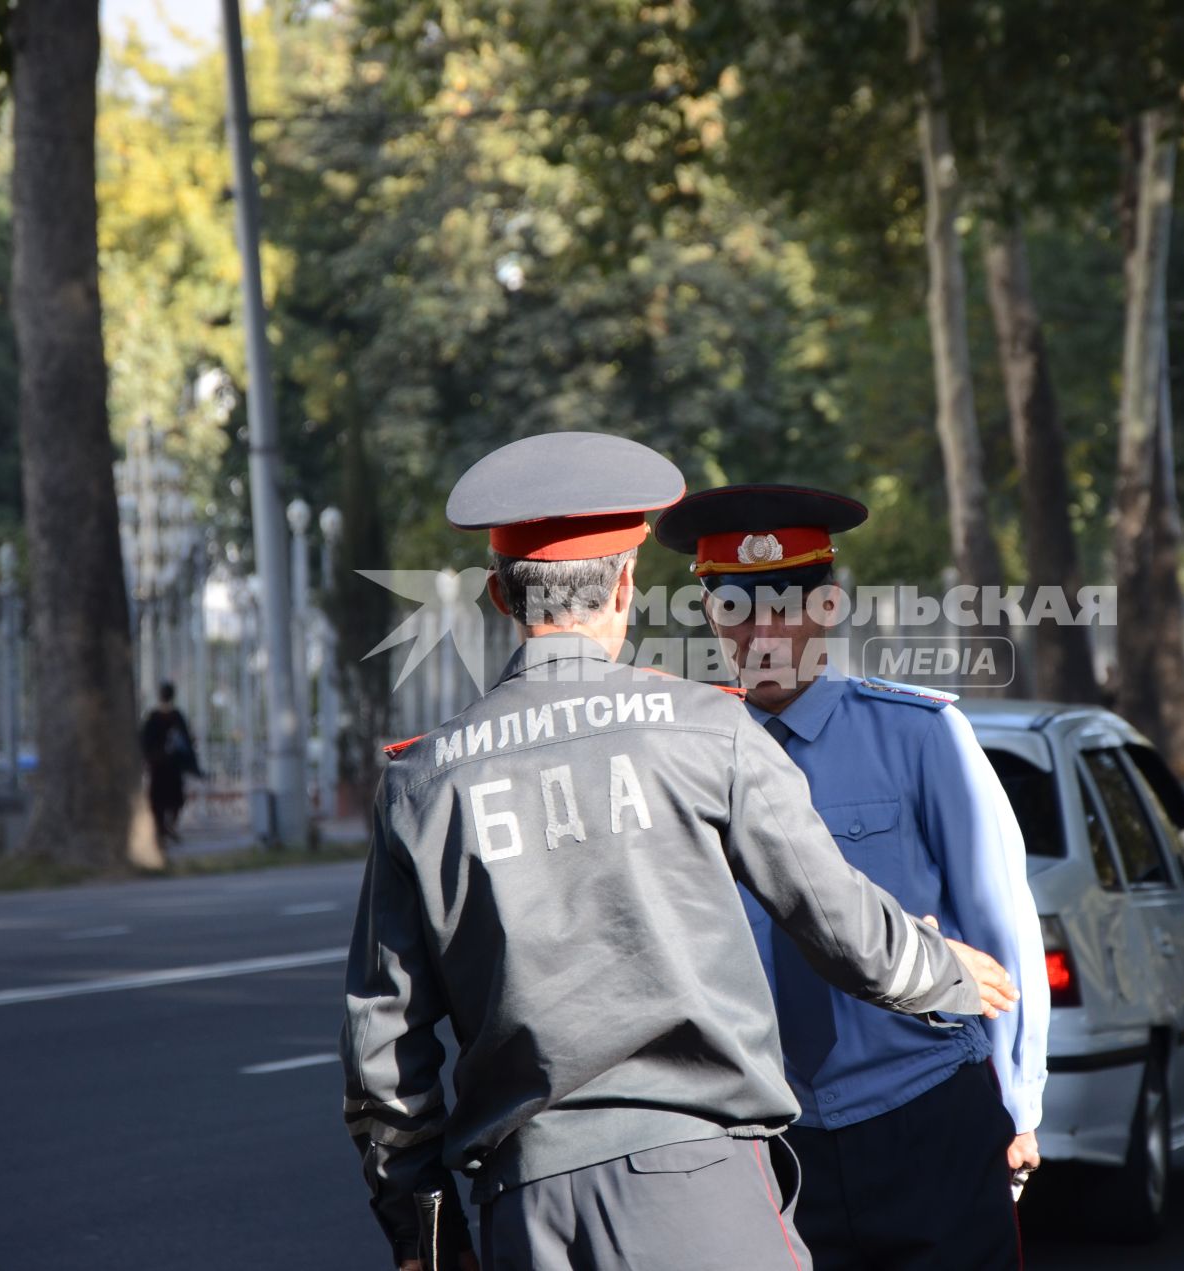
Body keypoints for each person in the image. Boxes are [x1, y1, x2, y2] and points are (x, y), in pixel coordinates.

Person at [340, 432, 1020, 1271]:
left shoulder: (425, 778)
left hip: (527, 1203)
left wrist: (423, 1237)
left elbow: (384, 1052)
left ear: (499, 595)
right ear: (627, 584)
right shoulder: (707, 729)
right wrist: (943, 967)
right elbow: (839, 923)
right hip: (704, 1189)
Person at [653, 484, 1050, 1271]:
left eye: (786, 601)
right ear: (710, 616)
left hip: (923, 1108)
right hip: (767, 1135)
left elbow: (1000, 924)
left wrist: (1019, 1102)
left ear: (829, 604)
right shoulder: (683, 759)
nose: (762, 630)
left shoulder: (919, 734)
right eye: (733, 603)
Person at [139, 681, 200, 843]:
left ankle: (164, 828)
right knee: (170, 799)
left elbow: (145, 742)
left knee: (164, 799)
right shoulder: (173, 716)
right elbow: (187, 741)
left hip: (163, 766)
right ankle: (164, 829)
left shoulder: (156, 716)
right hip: (166, 766)